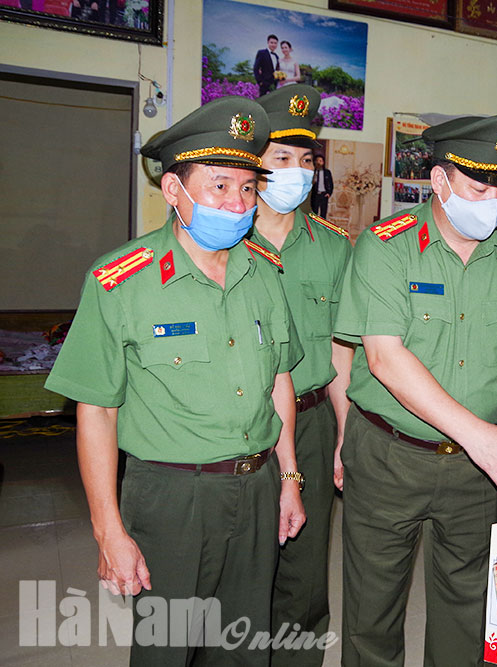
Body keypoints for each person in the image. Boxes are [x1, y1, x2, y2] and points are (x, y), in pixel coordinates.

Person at [44, 96, 307, 666]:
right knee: (167, 648)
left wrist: (289, 476)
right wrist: (108, 530)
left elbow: (279, 381)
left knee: (242, 646)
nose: (237, 203)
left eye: (247, 188)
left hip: (257, 486)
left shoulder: (264, 273)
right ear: (173, 190)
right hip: (170, 498)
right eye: (218, 186)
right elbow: (96, 411)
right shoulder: (120, 280)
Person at [333, 115, 497, 666]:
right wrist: (480, 436)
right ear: (439, 183)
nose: (492, 203)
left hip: (477, 468)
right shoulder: (385, 248)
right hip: (391, 454)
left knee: (467, 604)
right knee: (374, 609)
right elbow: (385, 357)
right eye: (478, 188)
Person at [252, 84, 353, 666]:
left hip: (313, 422)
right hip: (242, 424)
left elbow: (340, 351)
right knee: (243, 568)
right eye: (280, 159)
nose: (297, 171)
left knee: (306, 570)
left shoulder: (333, 248)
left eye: (306, 159)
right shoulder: (223, 242)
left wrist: (343, 433)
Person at [311, 154, 333, 218]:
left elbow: (331, 184)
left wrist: (329, 193)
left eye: (320, 161)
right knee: (314, 213)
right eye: (317, 161)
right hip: (315, 195)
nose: (318, 162)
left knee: (323, 213)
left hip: (324, 195)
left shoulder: (327, 172)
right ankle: (314, 226)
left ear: (323, 162)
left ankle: (321, 227)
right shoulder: (313, 172)